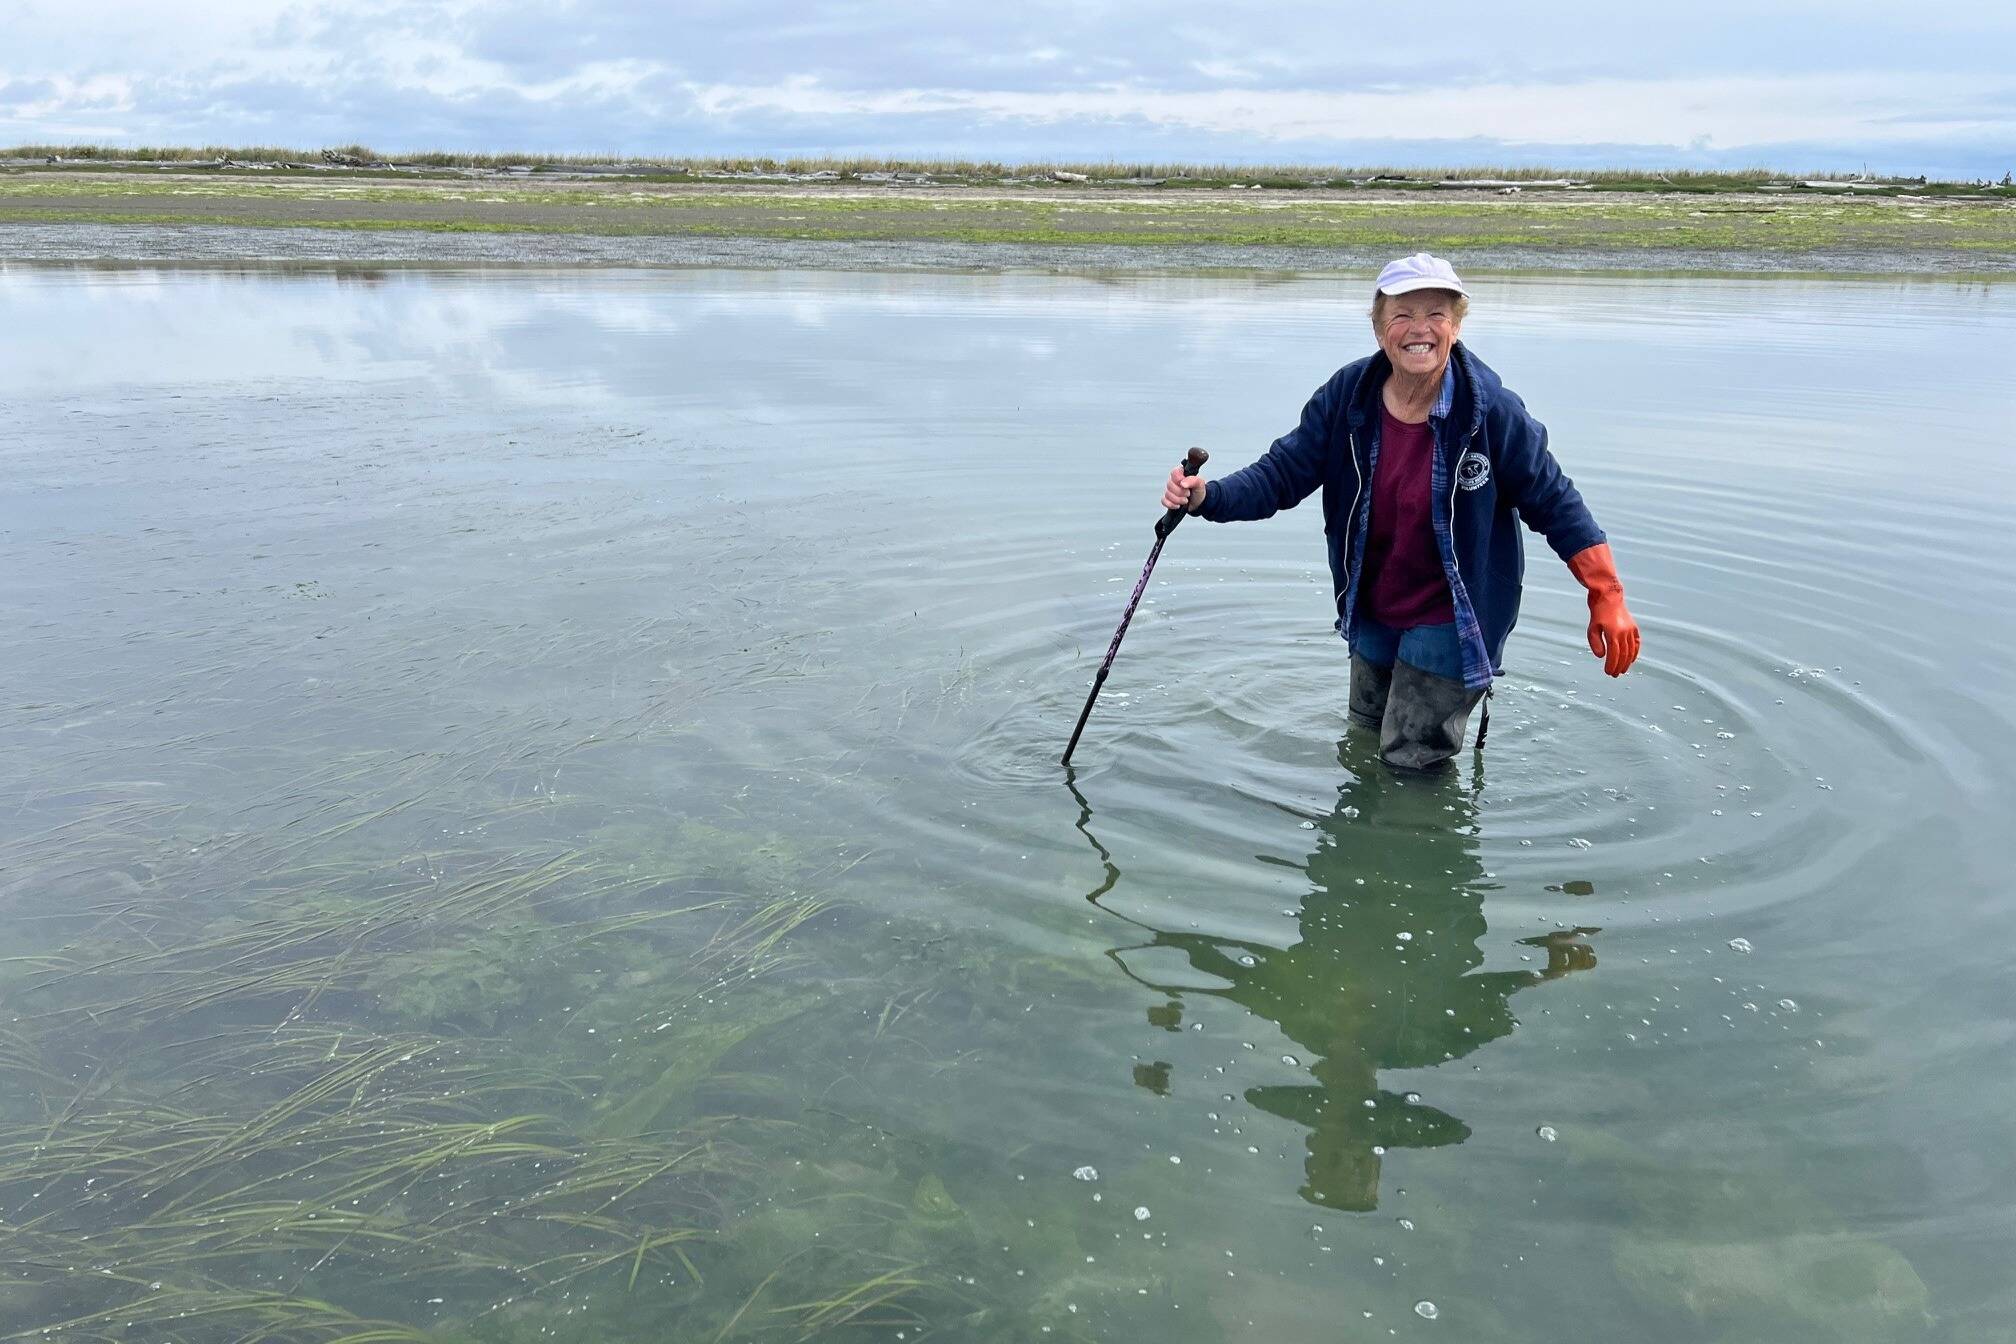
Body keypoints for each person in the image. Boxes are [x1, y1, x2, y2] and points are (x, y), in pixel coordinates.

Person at [1161, 253, 1640, 770]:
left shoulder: (1494, 414)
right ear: (1377, 326)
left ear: (1456, 326)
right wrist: (1207, 497)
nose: (1420, 329)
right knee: (1365, 738)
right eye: (1402, 314)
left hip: (1453, 617)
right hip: (1373, 606)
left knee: (1412, 763)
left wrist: (1606, 594)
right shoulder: (1348, 397)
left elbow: (1555, 501)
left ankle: (1415, 840)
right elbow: (1282, 473)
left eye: (1436, 313)